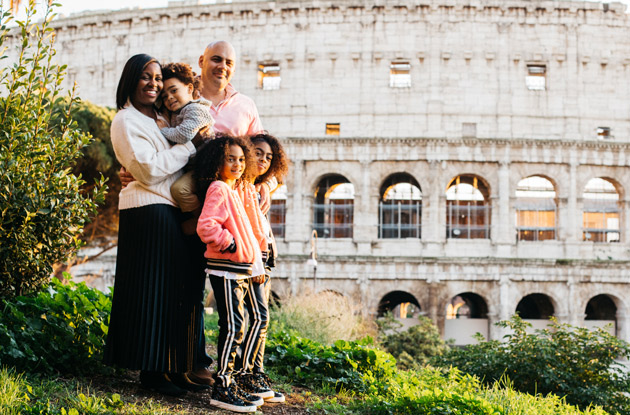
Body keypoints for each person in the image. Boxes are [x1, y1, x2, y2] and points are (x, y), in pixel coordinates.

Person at [104, 54, 207, 397]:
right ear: (131, 80)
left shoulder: (162, 117)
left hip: (169, 209)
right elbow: (147, 170)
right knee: (152, 292)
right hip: (147, 211)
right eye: (145, 77)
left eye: (157, 78)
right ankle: (152, 372)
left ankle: (172, 366)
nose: (154, 83)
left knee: (173, 292)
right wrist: (189, 148)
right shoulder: (125, 121)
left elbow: (160, 167)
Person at [194, 135, 268, 413]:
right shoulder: (218, 188)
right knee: (233, 327)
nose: (237, 164)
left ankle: (228, 382)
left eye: (240, 159)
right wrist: (230, 243)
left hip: (236, 269)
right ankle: (222, 387)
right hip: (225, 269)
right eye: (230, 159)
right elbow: (206, 226)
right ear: (217, 161)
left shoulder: (231, 190)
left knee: (235, 325)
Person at [233, 133, 289, 404]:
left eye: (269, 157)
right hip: (250, 260)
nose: (264, 160)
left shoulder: (258, 186)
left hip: (264, 257)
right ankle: (242, 374)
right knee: (257, 318)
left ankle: (255, 371)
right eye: (258, 153)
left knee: (261, 320)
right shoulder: (240, 187)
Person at [157, 62, 215, 234]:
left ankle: (201, 219)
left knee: (179, 190)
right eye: (165, 96)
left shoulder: (196, 109)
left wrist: (161, 131)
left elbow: (184, 134)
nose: (169, 98)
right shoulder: (178, 112)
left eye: (174, 91)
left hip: (205, 168)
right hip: (192, 167)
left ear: (190, 88)